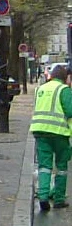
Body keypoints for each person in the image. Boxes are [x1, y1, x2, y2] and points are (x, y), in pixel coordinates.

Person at [29, 63, 72, 211]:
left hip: (40, 130)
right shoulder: (64, 90)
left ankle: (43, 197)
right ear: (65, 78)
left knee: (44, 166)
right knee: (61, 166)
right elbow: (70, 110)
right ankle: (59, 199)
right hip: (59, 132)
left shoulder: (40, 89)